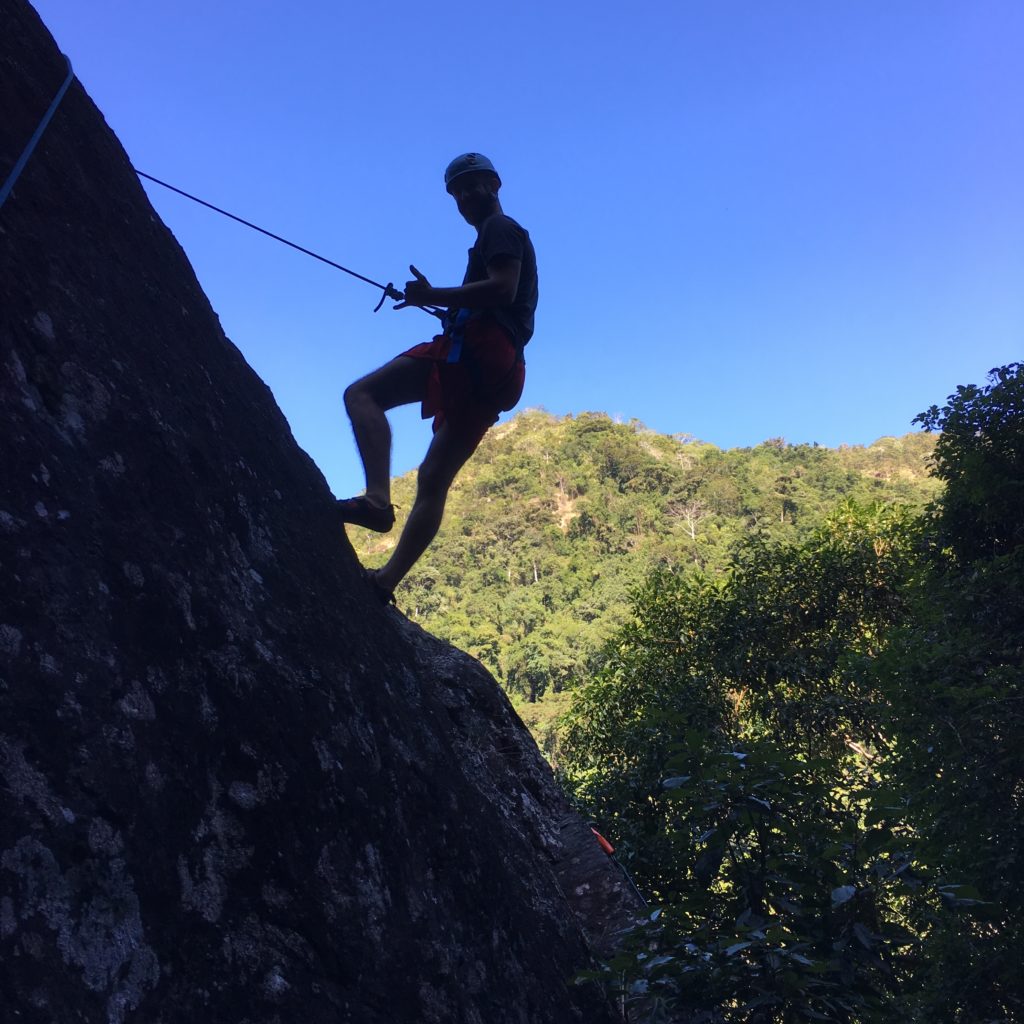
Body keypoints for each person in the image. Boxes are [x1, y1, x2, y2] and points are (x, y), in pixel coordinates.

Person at [338, 153, 539, 604]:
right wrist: (438, 302)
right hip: (502, 373)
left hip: (477, 352)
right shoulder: (497, 236)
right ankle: (385, 582)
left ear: (494, 184)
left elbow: (502, 287)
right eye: (457, 191)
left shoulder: (499, 229)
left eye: (473, 185)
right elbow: (501, 298)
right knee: (432, 478)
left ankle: (375, 500)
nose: (466, 196)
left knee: (362, 394)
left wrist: (431, 294)